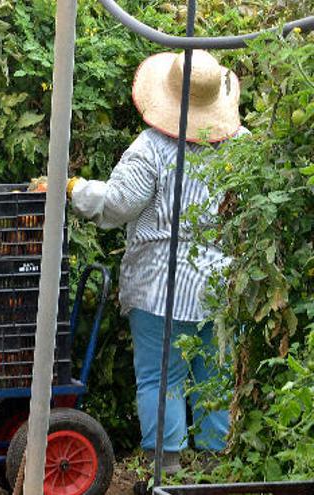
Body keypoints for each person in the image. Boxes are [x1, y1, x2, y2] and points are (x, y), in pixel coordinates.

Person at [67, 50, 242, 472]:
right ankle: (216, 471)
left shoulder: (154, 147)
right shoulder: (243, 148)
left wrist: (73, 188)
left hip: (160, 286)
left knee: (161, 379)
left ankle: (166, 471)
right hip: (221, 285)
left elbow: (118, 203)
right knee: (216, 377)